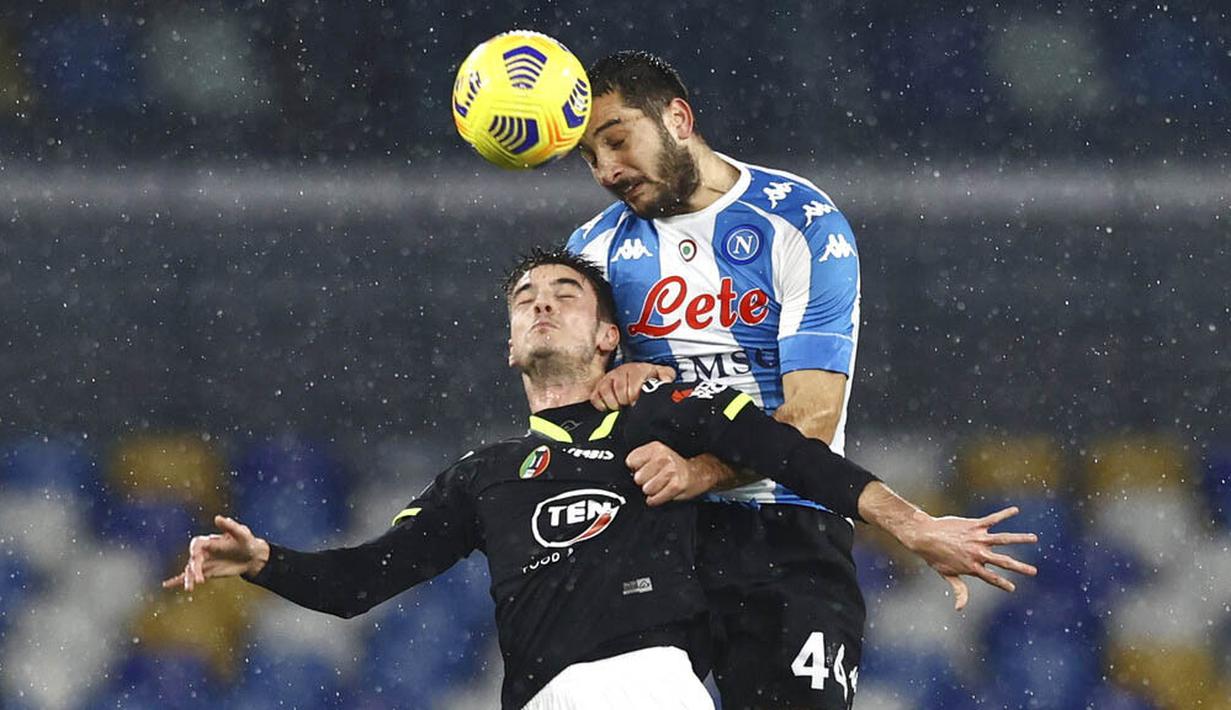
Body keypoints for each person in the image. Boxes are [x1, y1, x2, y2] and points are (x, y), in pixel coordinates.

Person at [162, 250, 1036, 710]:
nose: (541, 302)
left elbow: (797, 457)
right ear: (509, 345)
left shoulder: (665, 413)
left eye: (566, 294)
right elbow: (363, 580)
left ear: (610, 338)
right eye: (524, 298)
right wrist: (266, 559)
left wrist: (912, 524)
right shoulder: (482, 474)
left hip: (649, 686)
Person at [565, 51, 949, 709]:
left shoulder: (799, 220)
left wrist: (701, 471)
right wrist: (605, 387)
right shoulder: (592, 252)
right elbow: (574, 422)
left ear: (677, 118)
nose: (605, 171)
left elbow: (812, 419)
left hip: (787, 527)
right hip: (655, 535)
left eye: (615, 139)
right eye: (588, 158)